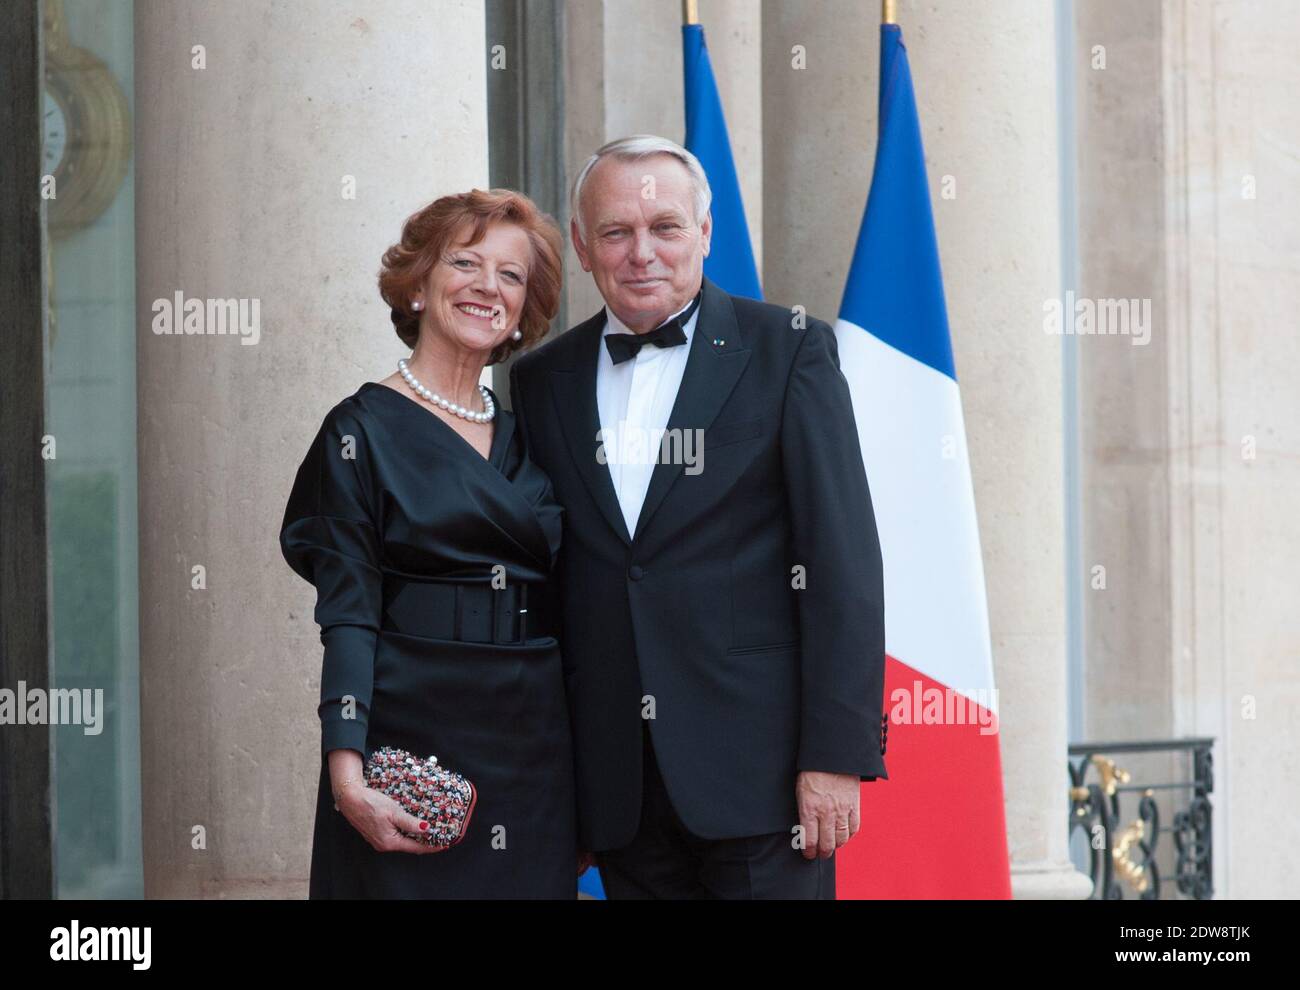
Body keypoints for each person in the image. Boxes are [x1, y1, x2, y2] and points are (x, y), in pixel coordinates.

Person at [510, 135, 889, 899]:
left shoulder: (788, 350)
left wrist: (837, 754)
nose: (641, 252)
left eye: (666, 228)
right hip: (619, 789)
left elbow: (842, 562)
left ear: (705, 235)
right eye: (616, 232)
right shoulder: (540, 380)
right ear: (583, 248)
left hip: (768, 780)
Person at [280, 188, 576, 898]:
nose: (487, 286)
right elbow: (349, 613)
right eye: (465, 262)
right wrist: (347, 774)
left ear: (522, 310)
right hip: (411, 748)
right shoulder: (359, 431)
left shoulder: (533, 432)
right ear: (418, 285)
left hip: (534, 752)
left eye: (510, 274)